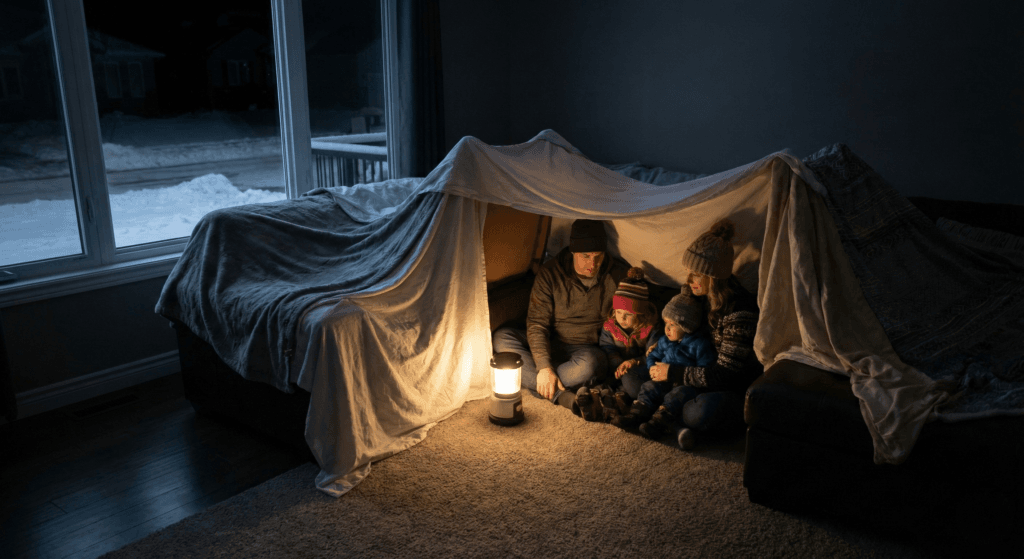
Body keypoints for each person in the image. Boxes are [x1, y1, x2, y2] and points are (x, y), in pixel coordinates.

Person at [492, 219, 630, 411]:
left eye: (598, 256)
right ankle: (559, 394)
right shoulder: (551, 273)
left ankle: (542, 382)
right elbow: (537, 323)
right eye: (586, 256)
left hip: (585, 350)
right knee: (501, 337)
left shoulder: (617, 275)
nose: (593, 263)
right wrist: (544, 366)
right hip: (552, 340)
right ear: (573, 251)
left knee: (591, 364)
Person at [649, 218, 761, 449]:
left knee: (699, 412)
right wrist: (661, 349)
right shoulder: (696, 295)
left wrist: (672, 372)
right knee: (642, 366)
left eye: (697, 274)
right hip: (691, 370)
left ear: (715, 276)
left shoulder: (739, 310)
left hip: (725, 387)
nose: (690, 280)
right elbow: (675, 326)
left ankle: (675, 418)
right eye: (689, 272)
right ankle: (670, 413)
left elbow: (725, 375)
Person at [611, 291, 716, 440]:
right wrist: (652, 367)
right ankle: (637, 414)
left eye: (672, 325)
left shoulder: (699, 345)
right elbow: (653, 355)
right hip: (663, 380)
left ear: (687, 326)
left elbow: (705, 370)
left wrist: (686, 379)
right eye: (666, 323)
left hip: (684, 384)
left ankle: (659, 422)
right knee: (648, 387)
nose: (667, 329)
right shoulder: (665, 340)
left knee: (677, 396)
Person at [582, 266, 660, 422]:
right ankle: (605, 396)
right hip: (616, 368)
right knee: (598, 376)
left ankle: (623, 395)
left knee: (631, 383)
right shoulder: (610, 327)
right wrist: (618, 364)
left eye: (628, 314)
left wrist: (634, 362)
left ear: (640, 313)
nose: (621, 318)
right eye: (618, 312)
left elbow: (655, 355)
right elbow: (607, 348)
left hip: (638, 370)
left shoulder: (650, 328)